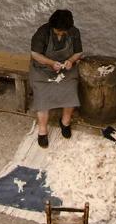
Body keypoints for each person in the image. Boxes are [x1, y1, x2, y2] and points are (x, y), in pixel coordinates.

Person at [29, 10, 83, 148]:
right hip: (43, 69)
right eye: (57, 32)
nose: (60, 34)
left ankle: (65, 122)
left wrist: (71, 60)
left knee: (70, 90)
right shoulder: (43, 32)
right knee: (42, 96)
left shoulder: (74, 32)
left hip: (65, 69)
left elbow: (78, 52)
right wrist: (51, 63)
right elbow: (35, 54)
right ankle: (42, 130)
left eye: (62, 32)